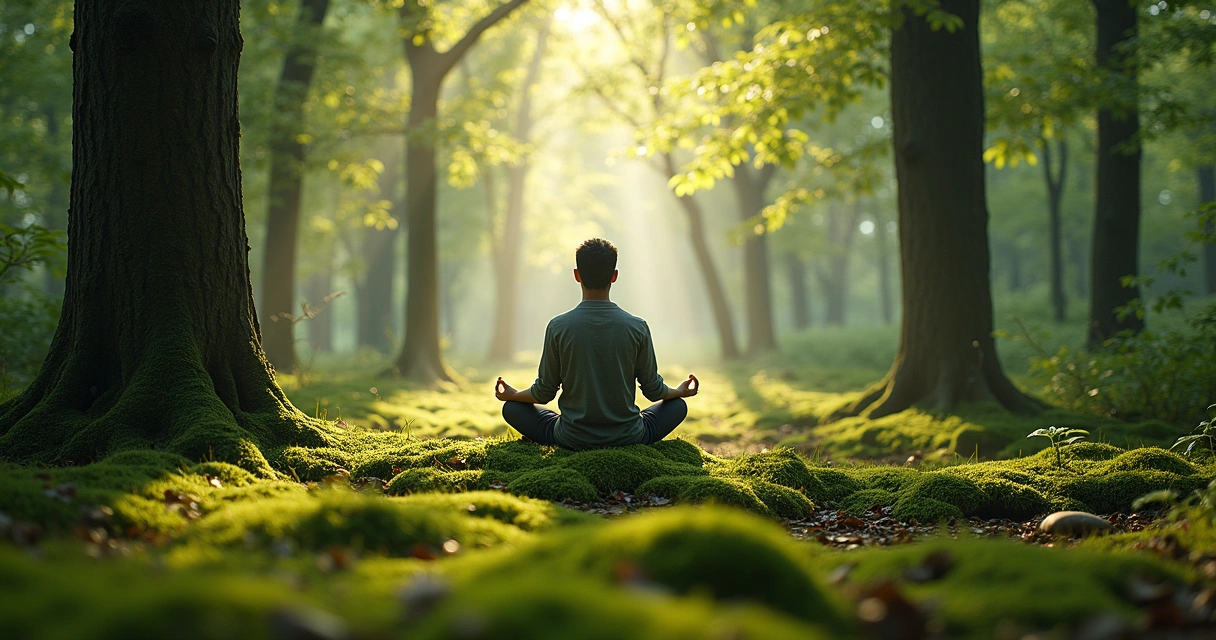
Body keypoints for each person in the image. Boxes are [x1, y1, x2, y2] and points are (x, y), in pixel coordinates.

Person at [494, 238, 699, 449]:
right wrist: (679, 391)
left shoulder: (558, 326)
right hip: (629, 437)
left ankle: (570, 433)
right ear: (614, 276)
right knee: (677, 406)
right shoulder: (637, 326)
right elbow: (654, 391)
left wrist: (514, 395)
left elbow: (544, 393)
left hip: (571, 438)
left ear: (577, 275)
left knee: (512, 408)